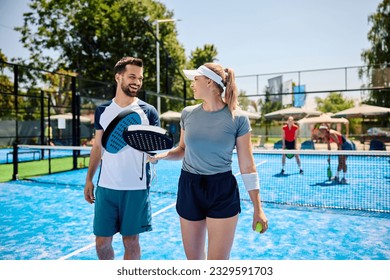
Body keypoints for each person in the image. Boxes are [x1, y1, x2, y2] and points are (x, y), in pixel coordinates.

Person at [148, 63, 268, 260]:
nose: (192, 84)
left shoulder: (238, 118)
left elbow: (247, 165)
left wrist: (258, 208)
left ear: (210, 82)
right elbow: (182, 149)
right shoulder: (187, 113)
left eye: (196, 79)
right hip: (189, 187)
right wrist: (161, 156)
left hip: (221, 190)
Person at [83, 57, 159, 260]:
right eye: (132, 76)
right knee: (102, 243)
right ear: (118, 77)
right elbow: (98, 147)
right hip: (106, 188)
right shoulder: (103, 111)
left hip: (136, 188)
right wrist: (89, 179)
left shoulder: (148, 111)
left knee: (131, 241)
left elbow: (154, 151)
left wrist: (154, 155)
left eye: (140, 78)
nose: (137, 81)